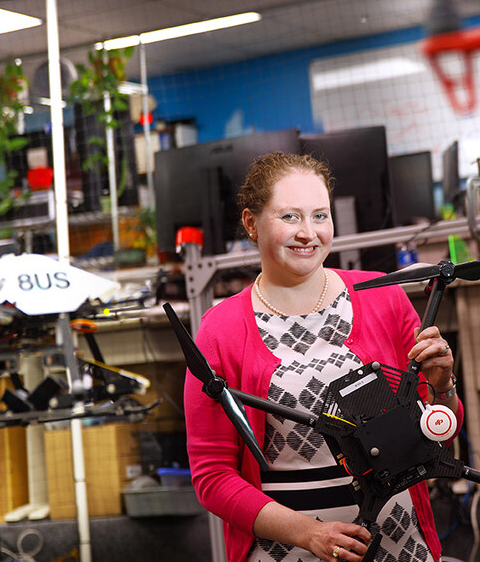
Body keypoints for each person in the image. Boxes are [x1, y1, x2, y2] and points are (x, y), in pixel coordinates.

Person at [185, 151, 462, 562]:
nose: (308, 233)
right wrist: (307, 533)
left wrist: (444, 388)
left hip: (398, 544)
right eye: (290, 217)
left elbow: (440, 434)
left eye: (320, 216)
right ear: (250, 223)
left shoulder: (384, 297)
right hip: (287, 551)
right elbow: (213, 477)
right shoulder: (219, 331)